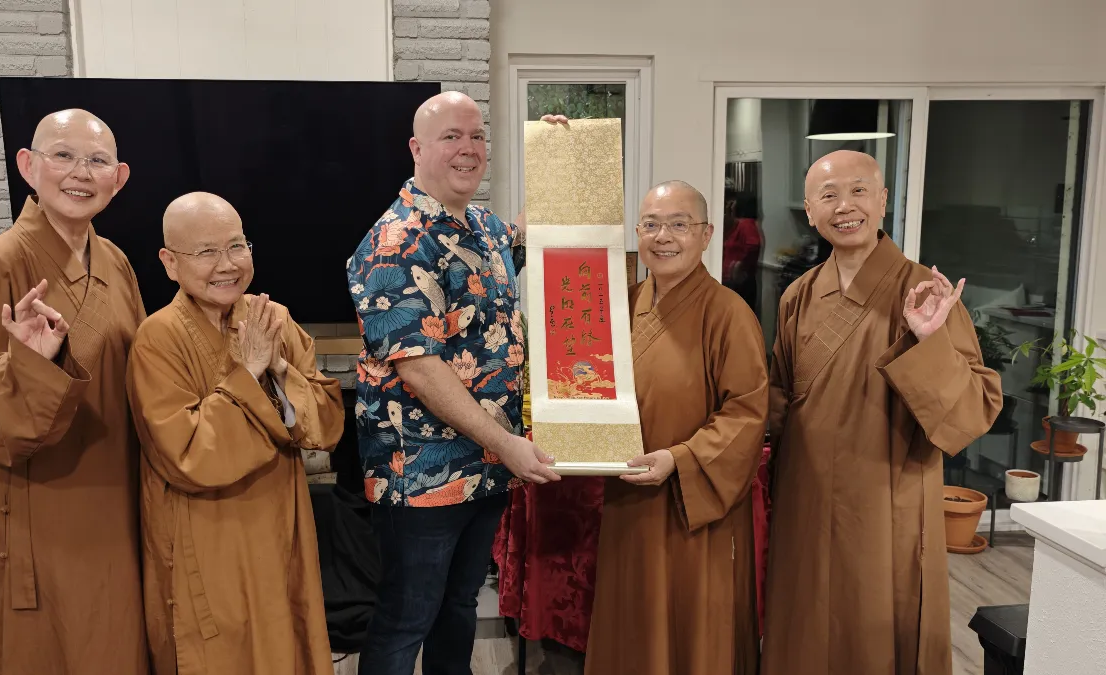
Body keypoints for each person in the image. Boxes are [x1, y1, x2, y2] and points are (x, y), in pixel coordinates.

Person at [0, 109, 148, 675]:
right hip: (42, 510)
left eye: (97, 160)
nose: (80, 173)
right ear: (27, 166)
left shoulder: (115, 261)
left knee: (118, 644)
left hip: (118, 495)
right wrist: (28, 368)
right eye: (62, 155)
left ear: (120, 177)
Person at [761, 150, 1003, 675]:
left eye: (858, 190)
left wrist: (928, 340)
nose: (845, 206)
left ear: (883, 199)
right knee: (802, 625)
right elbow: (779, 399)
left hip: (887, 494)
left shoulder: (924, 292)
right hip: (805, 495)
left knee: (878, 630)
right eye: (828, 195)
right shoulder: (799, 295)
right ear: (809, 210)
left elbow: (975, 408)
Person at [346, 90, 560, 675]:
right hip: (419, 473)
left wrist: (557, 154)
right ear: (417, 148)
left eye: (476, 137)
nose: (468, 149)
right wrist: (508, 443)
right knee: (406, 618)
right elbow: (419, 365)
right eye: (451, 137)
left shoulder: (483, 229)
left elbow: (537, 233)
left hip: (486, 469)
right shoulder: (395, 241)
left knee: (458, 606)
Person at [125, 192, 344, 674]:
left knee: (286, 641)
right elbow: (187, 455)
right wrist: (248, 374)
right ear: (169, 262)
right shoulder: (157, 339)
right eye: (205, 252)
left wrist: (281, 371)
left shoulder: (273, 319)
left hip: (281, 523)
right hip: (208, 535)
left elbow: (326, 424)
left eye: (237, 247)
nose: (227, 265)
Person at [584, 181, 768, 675]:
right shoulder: (618, 306)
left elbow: (748, 413)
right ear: (637, 234)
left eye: (679, 224)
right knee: (632, 614)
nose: (663, 237)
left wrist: (679, 460)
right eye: (651, 225)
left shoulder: (729, 314)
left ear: (706, 234)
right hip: (628, 497)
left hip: (693, 502)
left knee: (693, 623)